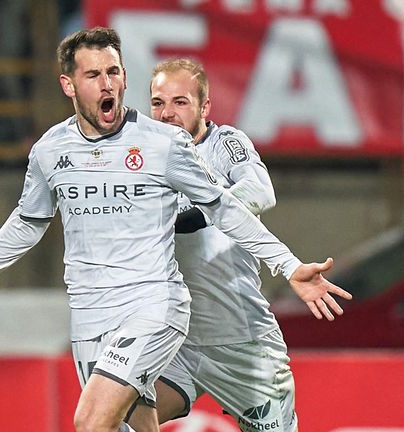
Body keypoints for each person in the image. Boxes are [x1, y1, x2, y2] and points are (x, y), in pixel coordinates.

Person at [0, 27, 351, 432]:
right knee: (127, 425)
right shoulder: (50, 150)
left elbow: (229, 207)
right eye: (93, 74)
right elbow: (27, 223)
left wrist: (289, 265)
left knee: (91, 420)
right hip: (97, 320)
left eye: (114, 72)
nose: (106, 84)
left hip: (176, 314)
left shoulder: (172, 146)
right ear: (69, 84)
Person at [125, 58, 299, 431]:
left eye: (180, 102)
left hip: (241, 340)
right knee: (117, 419)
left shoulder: (225, 144)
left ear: (205, 107)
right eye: (158, 103)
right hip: (176, 340)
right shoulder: (141, 160)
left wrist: (198, 214)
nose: (167, 113)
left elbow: (259, 191)